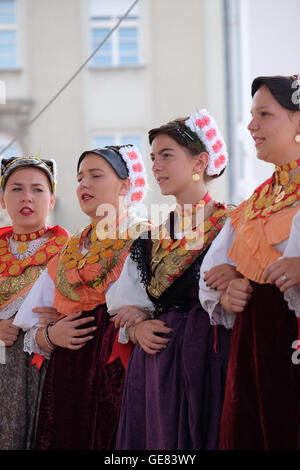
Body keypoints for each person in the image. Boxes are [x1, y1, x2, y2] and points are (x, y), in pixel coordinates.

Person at [106, 110, 238, 450]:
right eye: (153, 158)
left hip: (209, 359)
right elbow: (126, 306)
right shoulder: (149, 240)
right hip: (155, 365)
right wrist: (136, 328)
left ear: (200, 162)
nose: (156, 166)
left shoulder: (234, 224)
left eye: (167, 155)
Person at [14, 145, 149, 450]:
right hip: (69, 376)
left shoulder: (145, 237)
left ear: (126, 185)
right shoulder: (70, 250)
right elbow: (31, 326)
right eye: (79, 178)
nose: (84, 184)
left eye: (96, 175)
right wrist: (51, 334)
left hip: (121, 370)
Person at [199, 74, 300, 450]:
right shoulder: (254, 203)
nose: (251, 125)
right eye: (251, 114)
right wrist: (228, 293)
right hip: (254, 347)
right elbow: (214, 276)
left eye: (265, 114)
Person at [0, 155, 68, 450]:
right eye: (16, 189)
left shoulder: (72, 251)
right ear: (2, 200)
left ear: (52, 200)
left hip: (45, 367)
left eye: (38, 189)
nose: (27, 197)